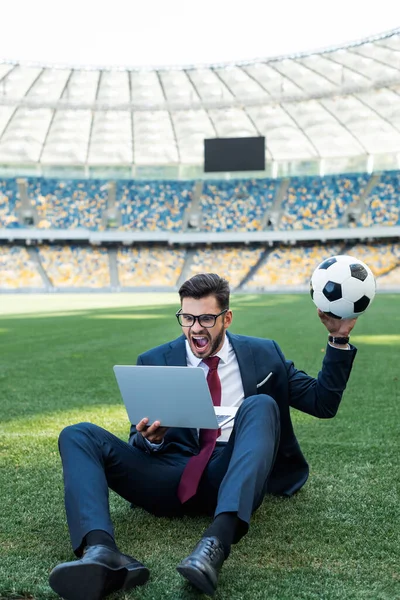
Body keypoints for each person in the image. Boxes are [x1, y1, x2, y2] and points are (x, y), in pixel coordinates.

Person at [49, 273, 357, 600]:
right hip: (168, 474)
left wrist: (338, 338)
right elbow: (136, 441)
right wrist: (151, 439)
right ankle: (101, 552)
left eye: (207, 318)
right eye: (188, 318)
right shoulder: (154, 360)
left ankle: (213, 546)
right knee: (77, 434)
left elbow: (322, 403)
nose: (196, 328)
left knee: (260, 404)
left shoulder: (265, 354)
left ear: (226, 318)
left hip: (230, 472)